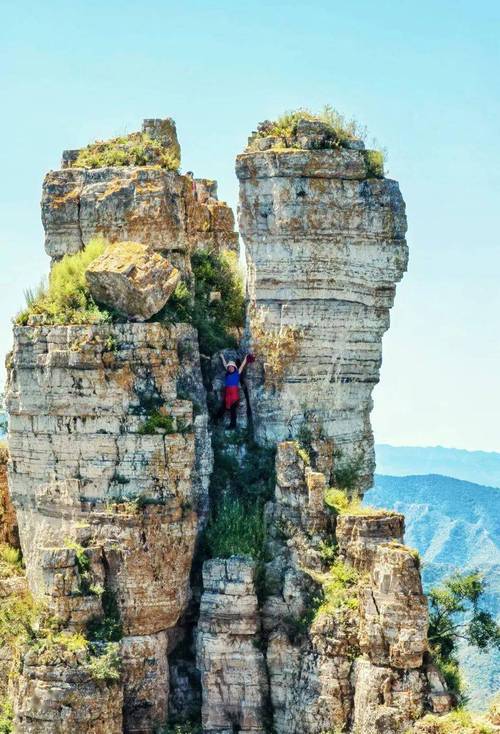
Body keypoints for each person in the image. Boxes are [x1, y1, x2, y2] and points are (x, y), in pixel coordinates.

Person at [215, 354, 249, 429]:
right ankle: (216, 419)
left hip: (234, 395)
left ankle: (232, 425)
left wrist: (245, 358)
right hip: (227, 394)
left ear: (234, 367)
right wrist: (222, 357)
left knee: (233, 411)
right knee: (223, 408)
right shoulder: (227, 373)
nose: (230, 368)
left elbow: (242, 366)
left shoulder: (237, 373)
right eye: (229, 367)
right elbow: (225, 364)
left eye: (231, 366)